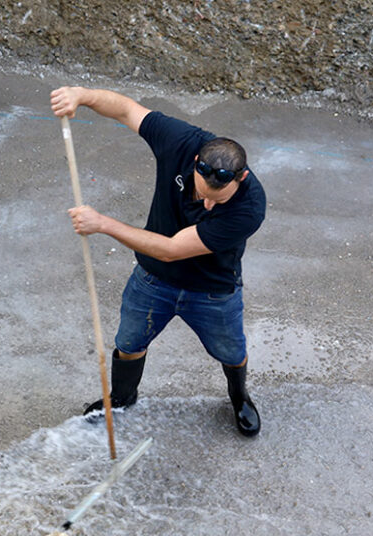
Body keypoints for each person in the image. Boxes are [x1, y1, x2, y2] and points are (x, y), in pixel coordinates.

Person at [50, 86, 265, 437]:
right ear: (195, 163)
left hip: (213, 290)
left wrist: (102, 224)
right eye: (203, 194)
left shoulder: (249, 207)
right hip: (153, 280)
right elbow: (125, 110)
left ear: (241, 178)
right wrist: (80, 95)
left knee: (231, 350)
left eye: (218, 201)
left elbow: (170, 249)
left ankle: (239, 396)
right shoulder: (182, 141)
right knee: (129, 343)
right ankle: (121, 398)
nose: (207, 207)